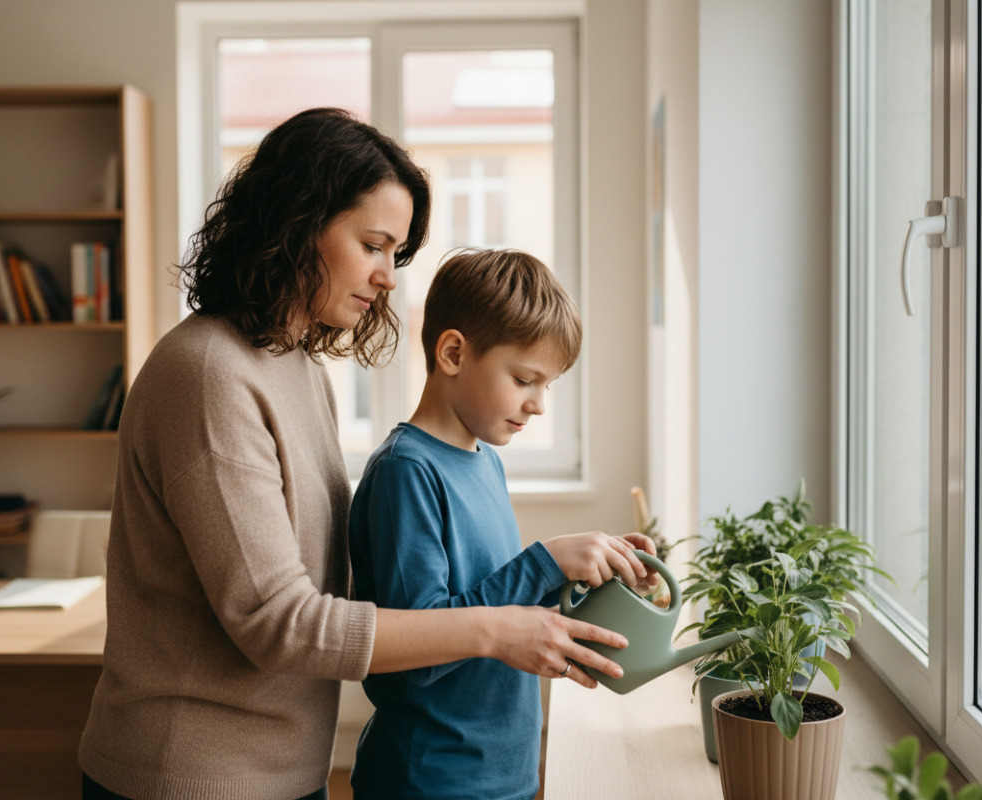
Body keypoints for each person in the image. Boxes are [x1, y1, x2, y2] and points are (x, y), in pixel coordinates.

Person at [77, 108, 637, 800]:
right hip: (193, 775)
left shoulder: (299, 370)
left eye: (396, 255)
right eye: (373, 244)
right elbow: (277, 622)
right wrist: (499, 627)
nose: (389, 277)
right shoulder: (208, 375)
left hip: (281, 769)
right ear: (297, 220)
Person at [347, 248, 658, 800]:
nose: (538, 404)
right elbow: (416, 652)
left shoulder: (484, 459)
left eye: (548, 385)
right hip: (432, 781)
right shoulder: (407, 473)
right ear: (452, 353)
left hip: (502, 774)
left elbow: (495, 608)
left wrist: (585, 579)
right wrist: (544, 560)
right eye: (524, 379)